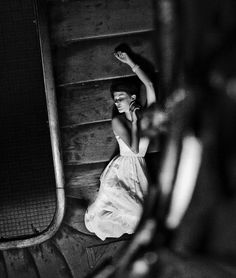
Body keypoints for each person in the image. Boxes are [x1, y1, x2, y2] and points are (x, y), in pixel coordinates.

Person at [84, 51, 157, 240]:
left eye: (120, 97)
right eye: (115, 99)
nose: (117, 102)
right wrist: (133, 121)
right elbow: (133, 149)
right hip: (122, 171)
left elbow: (149, 85)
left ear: (132, 97)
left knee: (141, 214)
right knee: (130, 213)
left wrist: (130, 62)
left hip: (138, 170)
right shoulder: (118, 122)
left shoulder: (147, 116)